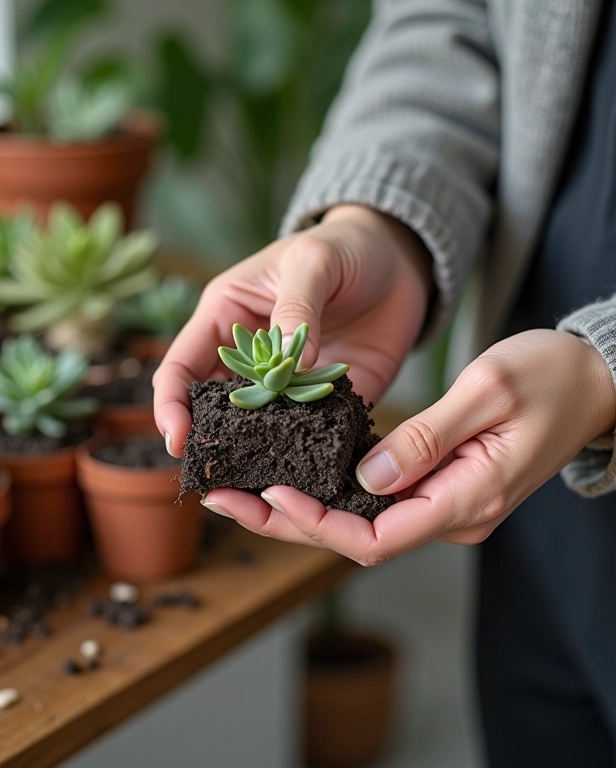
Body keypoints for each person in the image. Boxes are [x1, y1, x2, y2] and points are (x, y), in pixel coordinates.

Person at [154, 1, 616, 765]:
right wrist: (377, 224)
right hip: (530, 461)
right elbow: (446, 19)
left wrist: (606, 369)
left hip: (559, 388)